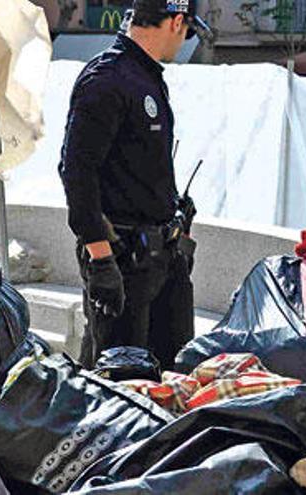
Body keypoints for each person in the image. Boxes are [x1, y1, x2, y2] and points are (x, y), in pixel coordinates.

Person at [58, 0, 211, 370]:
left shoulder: (145, 75)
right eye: (188, 31)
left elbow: (133, 165)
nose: (185, 41)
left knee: (171, 377)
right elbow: (76, 172)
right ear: (176, 22)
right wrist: (101, 261)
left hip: (162, 260)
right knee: (121, 386)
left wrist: (170, 207)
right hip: (123, 264)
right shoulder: (108, 79)